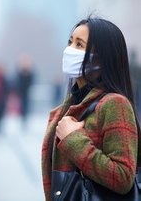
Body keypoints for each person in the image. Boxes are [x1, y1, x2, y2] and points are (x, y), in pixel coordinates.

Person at [41, 17, 140, 201]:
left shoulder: (114, 104)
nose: (69, 50)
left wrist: (74, 140)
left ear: (102, 58)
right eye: (70, 42)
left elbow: (123, 177)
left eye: (79, 45)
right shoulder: (68, 107)